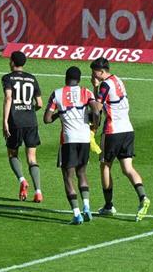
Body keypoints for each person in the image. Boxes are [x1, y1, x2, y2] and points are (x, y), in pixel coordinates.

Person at [89, 57, 151, 221]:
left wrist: (94, 88)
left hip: (112, 131)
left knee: (105, 166)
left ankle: (108, 206)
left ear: (101, 72)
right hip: (128, 130)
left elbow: (97, 108)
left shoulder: (104, 85)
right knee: (128, 168)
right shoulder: (117, 80)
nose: (92, 74)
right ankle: (143, 197)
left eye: (94, 72)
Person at [44, 65, 102, 225]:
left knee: (67, 177)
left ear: (66, 78)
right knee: (82, 173)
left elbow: (47, 119)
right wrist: (94, 126)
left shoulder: (57, 93)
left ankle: (76, 214)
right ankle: (87, 207)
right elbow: (96, 111)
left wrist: (59, 114)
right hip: (84, 138)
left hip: (68, 139)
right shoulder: (86, 92)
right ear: (79, 79)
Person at [2, 50, 43, 203]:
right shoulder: (32, 79)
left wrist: (5, 121)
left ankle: (22, 180)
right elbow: (39, 103)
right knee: (32, 158)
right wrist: (29, 110)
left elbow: (8, 98)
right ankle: (38, 191)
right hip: (31, 121)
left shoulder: (7, 78)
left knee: (12, 154)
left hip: (15, 121)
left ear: (12, 62)